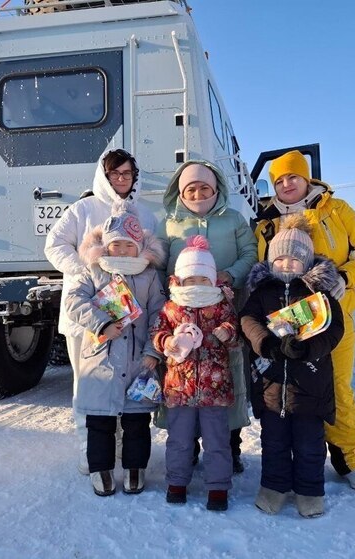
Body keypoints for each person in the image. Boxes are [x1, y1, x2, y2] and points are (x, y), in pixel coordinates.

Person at [253, 150, 355, 489]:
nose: (286, 184)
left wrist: (345, 276)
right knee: (289, 391)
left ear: (306, 178)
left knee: (336, 386)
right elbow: (260, 270)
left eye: (292, 176)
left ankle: (347, 456)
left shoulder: (335, 210)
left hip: (333, 315)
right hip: (286, 320)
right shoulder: (266, 224)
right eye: (279, 180)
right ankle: (294, 458)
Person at [44, 148, 157, 475]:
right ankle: (88, 449)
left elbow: (150, 255)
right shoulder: (83, 208)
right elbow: (55, 244)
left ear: (135, 177)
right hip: (89, 317)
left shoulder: (144, 214)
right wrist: (83, 271)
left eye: (127, 174)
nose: (121, 179)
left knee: (127, 387)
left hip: (131, 322)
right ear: (104, 176)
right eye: (115, 174)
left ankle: (120, 447)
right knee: (90, 385)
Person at [155, 160, 257, 472]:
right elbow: (160, 264)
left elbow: (250, 254)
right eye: (191, 188)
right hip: (181, 313)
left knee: (227, 377)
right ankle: (189, 448)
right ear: (180, 192)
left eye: (204, 187)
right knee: (185, 376)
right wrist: (166, 300)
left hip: (223, 308)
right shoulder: (170, 223)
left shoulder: (234, 218)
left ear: (215, 189)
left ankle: (229, 447)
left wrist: (230, 275)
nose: (198, 193)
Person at [241, 215, 345, 517]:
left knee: (310, 445)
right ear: (272, 260)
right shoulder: (261, 294)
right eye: (281, 257)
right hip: (272, 386)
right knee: (273, 442)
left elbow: (334, 329)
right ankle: (273, 488)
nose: (287, 264)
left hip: (310, 387)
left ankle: (310, 492)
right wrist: (267, 344)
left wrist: (306, 349)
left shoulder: (319, 295)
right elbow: (248, 321)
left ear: (308, 262)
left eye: (295, 259)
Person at [63, 204, 166, 496]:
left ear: (138, 248)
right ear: (106, 247)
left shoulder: (148, 277)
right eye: (115, 244)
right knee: (99, 421)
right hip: (100, 363)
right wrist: (101, 323)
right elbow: (74, 302)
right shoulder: (93, 272)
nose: (121, 250)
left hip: (138, 362)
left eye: (128, 245)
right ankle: (101, 468)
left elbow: (160, 315)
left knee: (137, 421)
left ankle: (136, 467)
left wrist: (153, 352)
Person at [150, 235, 240, 511]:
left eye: (203, 279)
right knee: (179, 440)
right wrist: (166, 342)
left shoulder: (221, 305)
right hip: (180, 388)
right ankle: (177, 482)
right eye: (191, 279)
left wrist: (228, 333)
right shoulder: (172, 306)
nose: (197, 285)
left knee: (217, 441)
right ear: (180, 280)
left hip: (215, 388)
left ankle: (218, 488)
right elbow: (157, 332)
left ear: (212, 280)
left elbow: (236, 333)